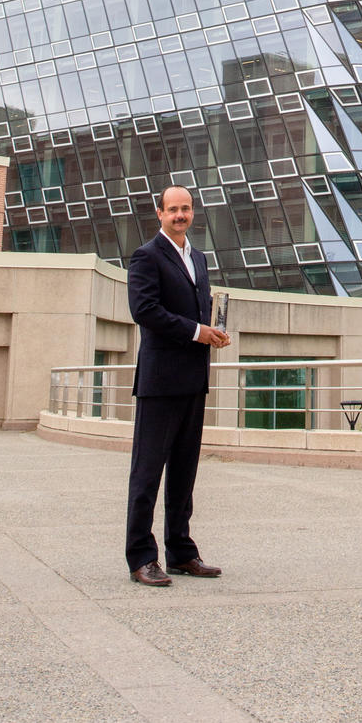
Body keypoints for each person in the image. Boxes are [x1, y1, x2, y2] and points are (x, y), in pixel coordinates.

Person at [124, 183, 230, 586]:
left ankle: (181, 552)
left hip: (193, 381)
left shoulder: (198, 258)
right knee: (147, 473)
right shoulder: (146, 256)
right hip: (159, 382)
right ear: (160, 213)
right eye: (173, 209)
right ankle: (141, 558)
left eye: (186, 209)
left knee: (184, 473)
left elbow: (198, 313)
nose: (180, 215)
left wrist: (214, 333)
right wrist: (196, 332)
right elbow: (145, 310)